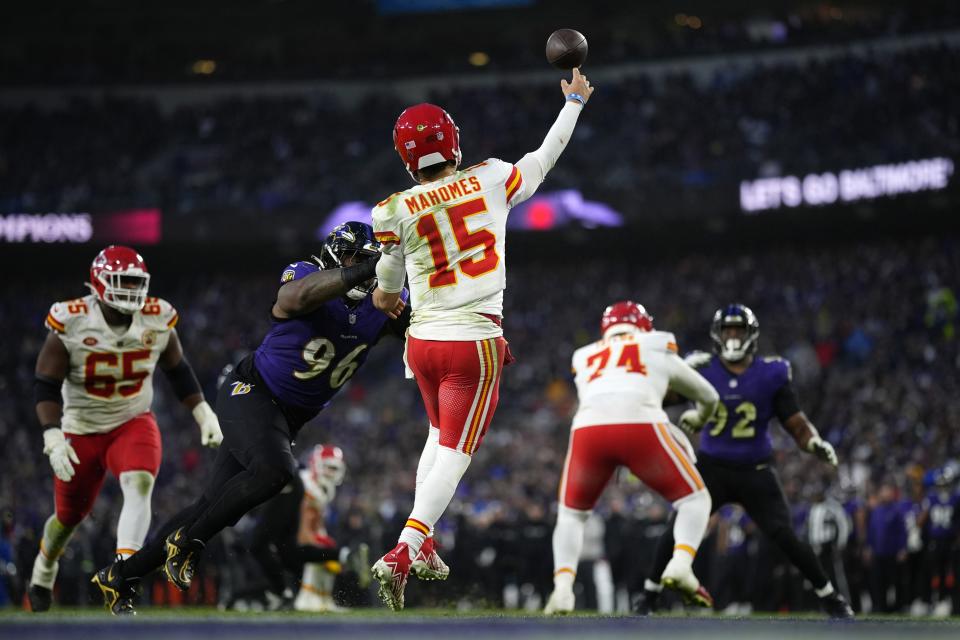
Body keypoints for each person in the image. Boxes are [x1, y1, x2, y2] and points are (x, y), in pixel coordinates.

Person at [91, 222, 407, 615]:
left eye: (370, 260)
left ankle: (121, 577)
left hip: (288, 417)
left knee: (212, 503)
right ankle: (189, 542)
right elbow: (295, 298)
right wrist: (369, 268)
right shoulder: (305, 273)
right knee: (275, 472)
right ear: (333, 255)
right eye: (354, 257)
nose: (365, 267)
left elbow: (422, 327)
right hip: (251, 392)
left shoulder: (382, 303)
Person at [367, 67, 594, 611]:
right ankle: (404, 548)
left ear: (405, 157)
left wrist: (386, 297)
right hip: (472, 343)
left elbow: (386, 287)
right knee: (457, 451)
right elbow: (542, 158)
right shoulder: (491, 177)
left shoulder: (392, 209)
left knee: (436, 436)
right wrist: (574, 104)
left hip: (420, 345)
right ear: (453, 142)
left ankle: (421, 546)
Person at [27, 245, 223, 612]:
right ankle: (44, 567)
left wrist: (203, 412)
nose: (131, 290)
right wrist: (52, 434)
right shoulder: (72, 319)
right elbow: (45, 382)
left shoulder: (156, 317)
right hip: (80, 428)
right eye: (123, 282)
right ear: (99, 283)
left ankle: (122, 578)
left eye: (136, 282)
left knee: (139, 485)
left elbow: (177, 371)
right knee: (68, 519)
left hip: (132, 421)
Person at [639, 304, 854, 618]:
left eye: (739, 330)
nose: (733, 336)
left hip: (756, 470)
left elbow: (794, 421)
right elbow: (663, 398)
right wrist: (677, 372)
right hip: (713, 467)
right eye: (728, 331)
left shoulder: (771, 373)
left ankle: (831, 597)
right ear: (718, 335)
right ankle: (648, 596)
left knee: (785, 535)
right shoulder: (705, 368)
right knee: (676, 527)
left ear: (751, 335)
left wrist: (812, 441)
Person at [543, 301, 719, 614]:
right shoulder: (655, 344)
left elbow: (616, 387)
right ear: (643, 325)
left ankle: (563, 588)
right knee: (695, 500)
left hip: (588, 429)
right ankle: (680, 564)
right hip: (640, 424)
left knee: (571, 515)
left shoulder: (584, 356)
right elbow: (708, 395)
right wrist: (699, 416)